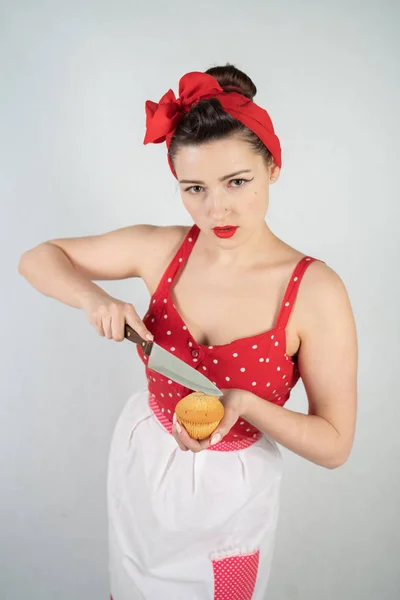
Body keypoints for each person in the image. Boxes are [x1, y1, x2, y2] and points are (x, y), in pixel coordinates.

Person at [18, 64, 358, 600]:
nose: (216, 208)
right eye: (194, 188)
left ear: (273, 167)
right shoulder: (161, 250)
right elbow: (39, 257)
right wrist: (95, 298)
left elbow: (335, 444)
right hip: (144, 461)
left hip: (232, 493)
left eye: (237, 182)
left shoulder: (315, 291)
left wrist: (246, 404)